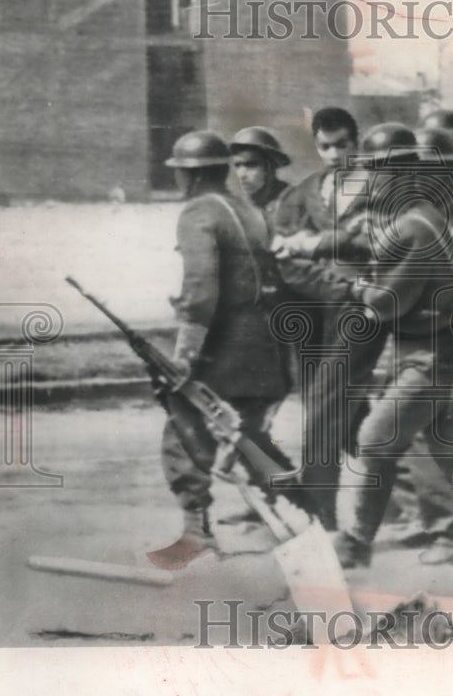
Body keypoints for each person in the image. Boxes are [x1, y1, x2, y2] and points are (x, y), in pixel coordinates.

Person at [328, 124, 453, 569]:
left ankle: (357, 541)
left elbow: (387, 302)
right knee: (449, 443)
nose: (370, 182)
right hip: (433, 348)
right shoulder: (412, 219)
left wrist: (355, 289)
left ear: (400, 177)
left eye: (377, 172)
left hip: (437, 353)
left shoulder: (416, 226)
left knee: (376, 438)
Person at [148, 131, 296, 570]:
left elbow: (200, 289)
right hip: (264, 340)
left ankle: (196, 532)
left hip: (223, 343)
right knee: (248, 435)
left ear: (191, 176)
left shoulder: (197, 212)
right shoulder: (249, 209)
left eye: (181, 174)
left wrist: (185, 355)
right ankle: (307, 514)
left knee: (184, 427)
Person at [271, 107, 387, 530]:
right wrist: (331, 279)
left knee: (323, 406)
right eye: (326, 146)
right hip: (319, 310)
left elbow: (382, 245)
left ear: (356, 142)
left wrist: (322, 256)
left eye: (343, 144)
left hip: (366, 309)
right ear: (316, 146)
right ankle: (413, 494)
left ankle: (320, 515)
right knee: (352, 411)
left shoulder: (381, 188)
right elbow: (282, 254)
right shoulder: (304, 193)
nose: (335, 154)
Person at [229, 126, 292, 236]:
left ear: (269, 167)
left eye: (251, 165)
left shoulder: (296, 201)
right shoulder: (239, 208)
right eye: (237, 166)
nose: (242, 174)